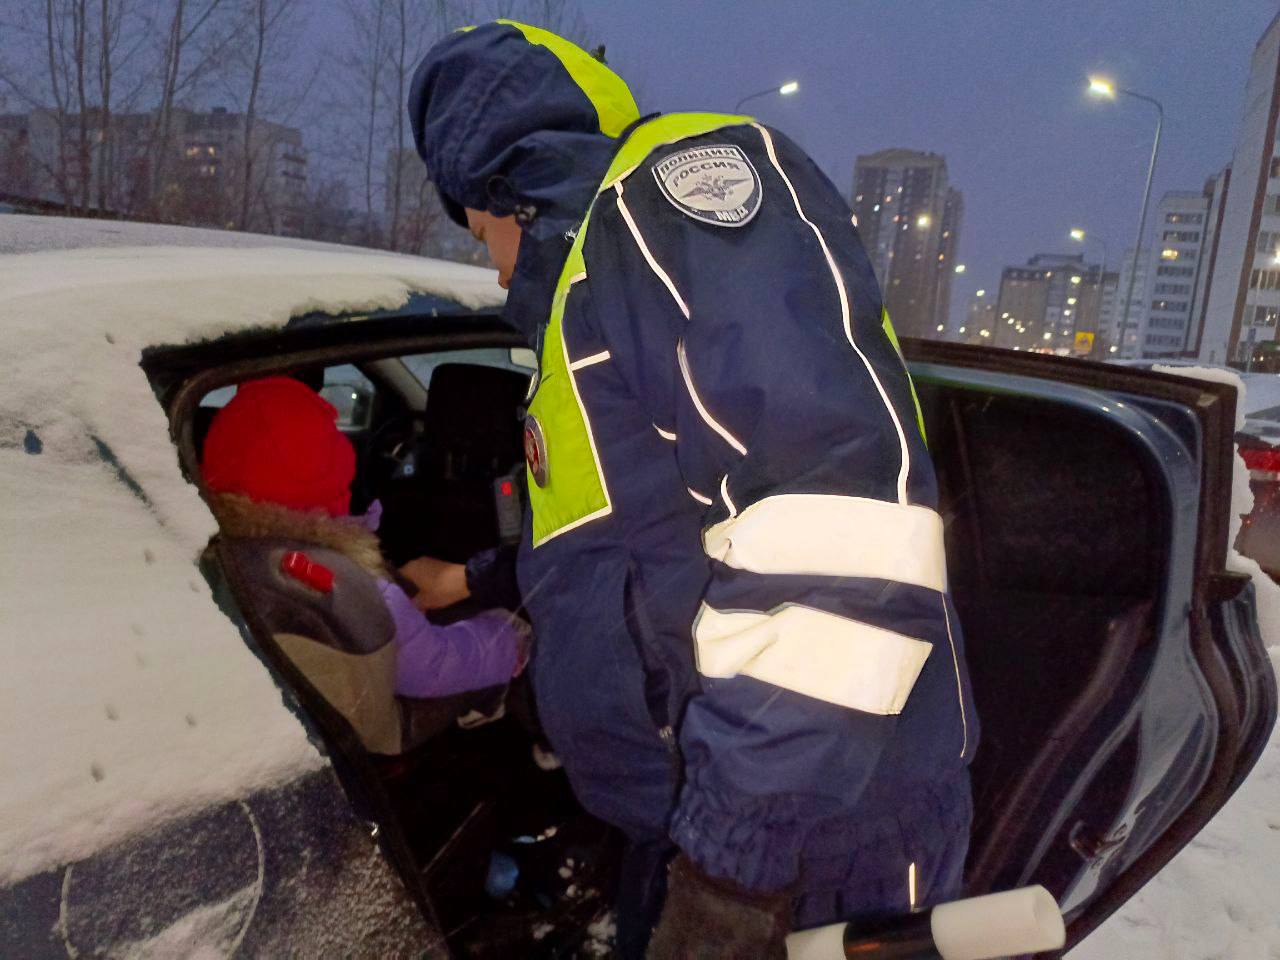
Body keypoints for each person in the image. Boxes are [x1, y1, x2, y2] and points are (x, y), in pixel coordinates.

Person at [409, 21, 979, 958]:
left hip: (812, 839)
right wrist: (471, 581)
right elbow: (630, 546)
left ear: (508, 191)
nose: (496, 268)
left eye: (482, 236)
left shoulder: (671, 205)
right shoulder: (592, 300)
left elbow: (838, 544)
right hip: (702, 818)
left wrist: (730, 875)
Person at [201, 376, 527, 702]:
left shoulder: (219, 553)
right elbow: (432, 667)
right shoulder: (355, 586)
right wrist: (510, 637)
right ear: (333, 475)